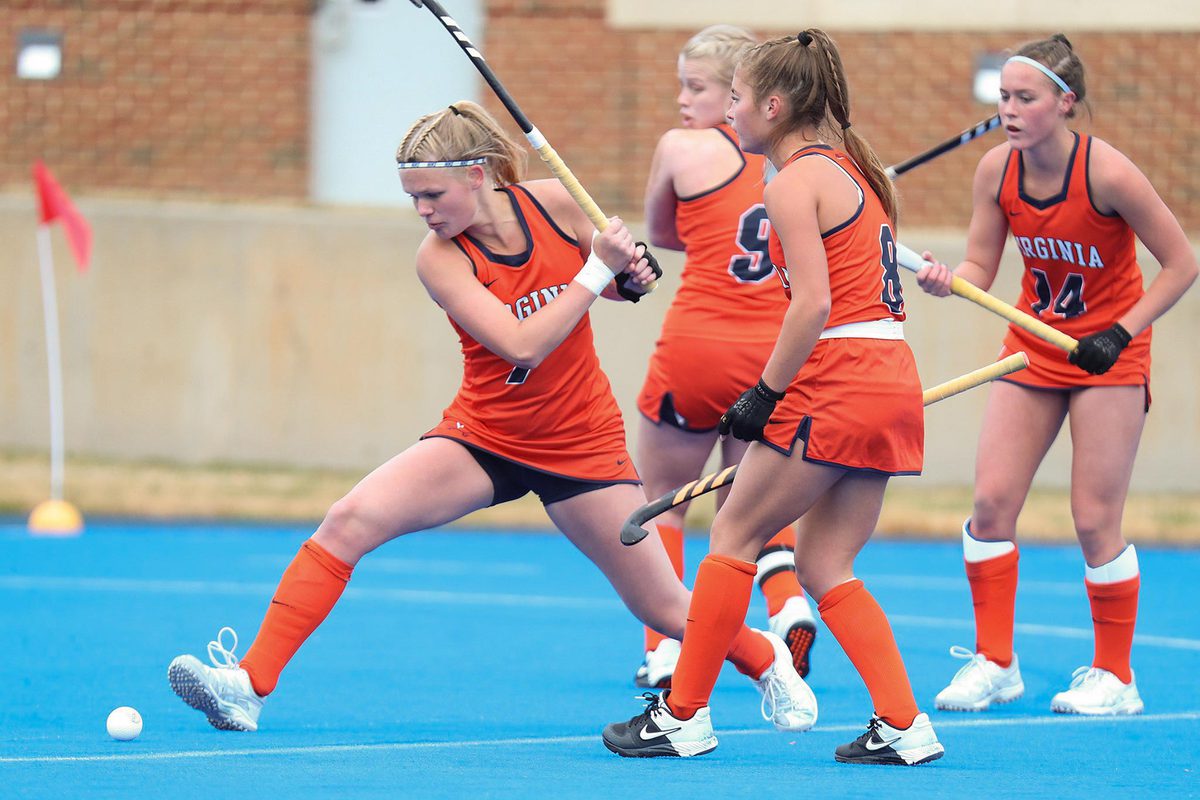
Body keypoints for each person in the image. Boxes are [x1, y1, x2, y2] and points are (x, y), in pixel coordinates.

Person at [166, 101, 814, 735]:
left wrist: (630, 274)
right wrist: (597, 273)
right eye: (412, 197)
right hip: (483, 437)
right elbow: (523, 342)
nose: (423, 211)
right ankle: (248, 686)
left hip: (579, 441)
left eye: (432, 194)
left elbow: (618, 283)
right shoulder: (438, 257)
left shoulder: (553, 204)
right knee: (348, 521)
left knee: (662, 603)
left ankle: (766, 661)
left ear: (477, 177)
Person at [604, 30, 943, 765]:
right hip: (890, 378)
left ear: (775, 104)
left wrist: (765, 394)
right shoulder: (858, 170)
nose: (727, 110)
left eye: (735, 97)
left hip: (840, 376)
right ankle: (904, 723)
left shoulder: (792, 181)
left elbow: (813, 304)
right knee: (826, 565)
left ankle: (682, 716)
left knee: (731, 538)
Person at [915, 34, 1196, 716]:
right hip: (1034, 351)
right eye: (1003, 98)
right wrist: (947, 282)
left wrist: (1121, 331)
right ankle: (995, 662)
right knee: (990, 504)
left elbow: (1183, 263)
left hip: (1109, 355)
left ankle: (1115, 676)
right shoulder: (996, 173)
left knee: (1095, 518)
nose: (1010, 110)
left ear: (1065, 103)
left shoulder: (1110, 174)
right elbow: (982, 269)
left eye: (1025, 98)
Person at [633, 24, 816, 692]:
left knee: (664, 504)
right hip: (771, 360)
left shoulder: (682, 149)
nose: (684, 101)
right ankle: (786, 602)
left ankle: (664, 648)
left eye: (699, 87)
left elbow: (661, 232)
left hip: (698, 348)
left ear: (740, 93)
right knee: (749, 514)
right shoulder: (800, 163)